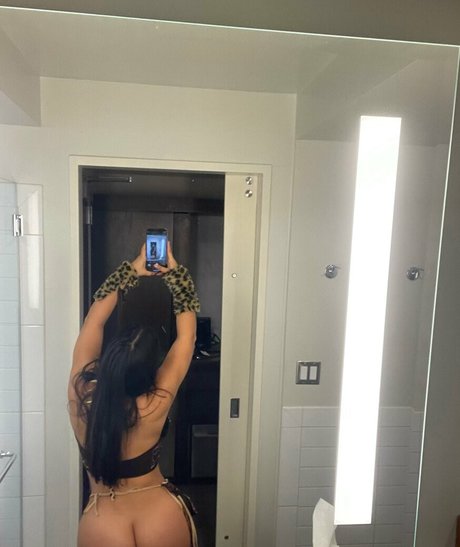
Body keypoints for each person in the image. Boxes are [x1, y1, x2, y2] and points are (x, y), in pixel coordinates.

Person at [68, 241, 200, 547]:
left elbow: (94, 321)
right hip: (159, 512)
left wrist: (131, 270)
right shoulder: (155, 402)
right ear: (151, 371)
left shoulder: (81, 393)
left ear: (110, 357)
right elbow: (187, 337)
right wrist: (177, 275)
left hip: (103, 519)